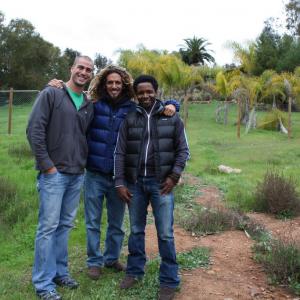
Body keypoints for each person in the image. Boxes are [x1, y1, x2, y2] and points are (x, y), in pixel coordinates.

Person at [47, 65, 179, 281]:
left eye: (118, 82)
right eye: (110, 82)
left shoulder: (132, 108)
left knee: (116, 223)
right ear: (103, 84)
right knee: (92, 222)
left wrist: (174, 104)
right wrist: (59, 85)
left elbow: (155, 108)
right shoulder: (93, 105)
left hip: (122, 178)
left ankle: (111, 258)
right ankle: (94, 262)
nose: (114, 86)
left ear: (124, 84)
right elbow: (73, 98)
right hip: (95, 174)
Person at [114, 75, 189, 300]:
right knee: (136, 230)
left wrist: (174, 176)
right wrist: (119, 182)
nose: (145, 95)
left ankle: (168, 280)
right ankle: (135, 271)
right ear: (136, 95)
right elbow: (119, 151)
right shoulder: (130, 118)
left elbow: (183, 150)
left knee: (165, 234)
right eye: (141, 92)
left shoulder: (171, 117)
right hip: (135, 184)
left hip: (161, 185)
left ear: (156, 91)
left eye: (149, 91)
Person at [27, 56, 94, 300]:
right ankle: (43, 284)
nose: (84, 72)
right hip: (54, 174)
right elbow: (34, 129)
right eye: (81, 67)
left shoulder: (88, 102)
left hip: (77, 174)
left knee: (64, 226)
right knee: (47, 228)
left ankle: (60, 273)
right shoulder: (52, 93)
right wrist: (48, 167)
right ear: (71, 69)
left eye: (88, 69)